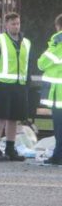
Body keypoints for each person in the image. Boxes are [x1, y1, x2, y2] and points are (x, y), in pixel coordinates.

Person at [0, 12, 32, 162]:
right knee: (0, 117)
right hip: (2, 86)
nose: (16, 26)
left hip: (19, 86)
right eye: (13, 24)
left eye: (18, 23)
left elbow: (28, 65)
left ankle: (10, 149)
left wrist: (27, 84)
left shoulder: (26, 42)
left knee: (14, 119)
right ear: (6, 25)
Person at [37, 13, 62, 165]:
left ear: (58, 26)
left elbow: (42, 63)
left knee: (59, 127)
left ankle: (58, 156)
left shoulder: (57, 41)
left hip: (58, 94)